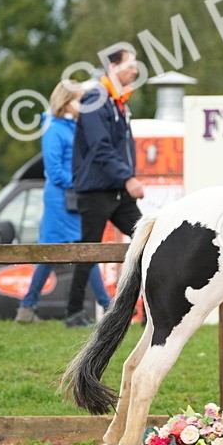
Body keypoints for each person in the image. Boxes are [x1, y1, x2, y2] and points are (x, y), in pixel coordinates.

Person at [15, 81, 112, 323]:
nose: (84, 105)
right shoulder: (54, 128)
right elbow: (55, 169)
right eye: (79, 100)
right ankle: (108, 305)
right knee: (78, 250)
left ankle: (27, 307)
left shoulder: (72, 126)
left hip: (71, 195)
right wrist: (84, 183)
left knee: (56, 253)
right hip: (61, 199)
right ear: (65, 102)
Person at [63, 49, 145, 327]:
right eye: (131, 65)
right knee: (89, 251)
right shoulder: (97, 99)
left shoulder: (116, 101)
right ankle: (74, 311)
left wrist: (125, 178)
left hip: (117, 191)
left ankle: (150, 311)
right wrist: (128, 178)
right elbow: (100, 148)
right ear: (113, 66)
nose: (135, 71)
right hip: (97, 191)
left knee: (147, 240)